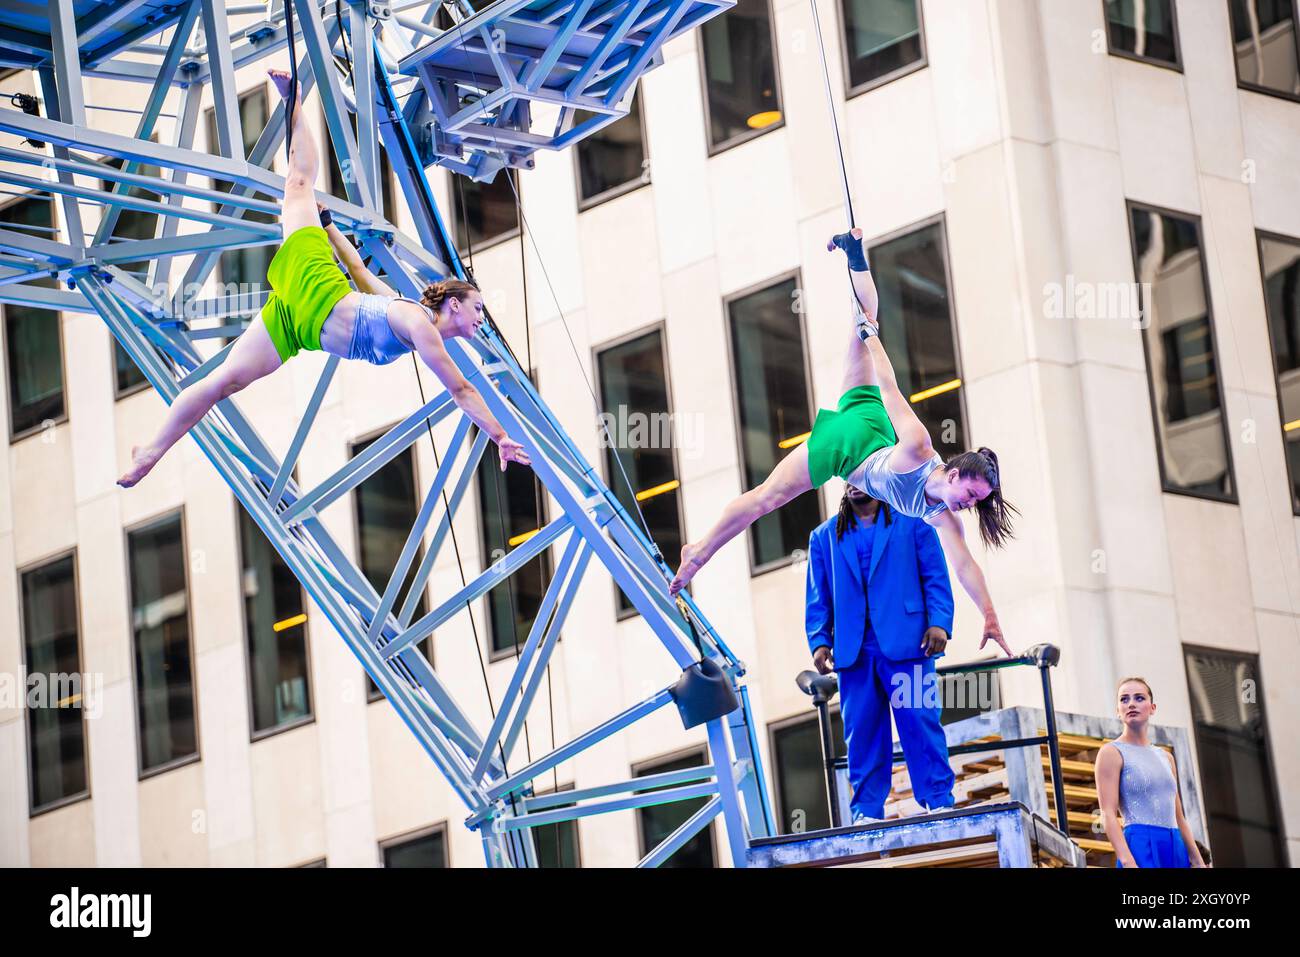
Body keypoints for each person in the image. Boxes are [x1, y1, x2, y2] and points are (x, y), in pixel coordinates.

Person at [117, 68, 530, 488]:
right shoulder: (419, 325)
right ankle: (293, 102)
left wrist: (329, 227)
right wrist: (499, 434)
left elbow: (360, 271)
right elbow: (460, 389)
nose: (482, 318)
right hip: (318, 286)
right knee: (298, 184)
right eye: (479, 308)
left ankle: (150, 452)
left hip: (299, 325)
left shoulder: (404, 312)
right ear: (454, 304)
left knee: (225, 381)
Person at [670, 227, 1015, 657]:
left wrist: (990, 613)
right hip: (849, 446)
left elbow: (964, 566)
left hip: (870, 426)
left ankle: (854, 253)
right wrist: (872, 342)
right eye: (971, 494)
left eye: (976, 501)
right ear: (958, 472)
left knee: (867, 315)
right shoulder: (920, 448)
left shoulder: (944, 515)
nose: (969, 504)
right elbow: (890, 389)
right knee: (766, 499)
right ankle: (699, 552)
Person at [807, 487, 956, 824]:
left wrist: (940, 624)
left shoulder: (913, 523)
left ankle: (938, 799)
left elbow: (935, 576)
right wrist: (819, 640)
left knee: (920, 721)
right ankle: (867, 812)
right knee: (861, 733)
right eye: (849, 478)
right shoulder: (824, 537)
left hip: (909, 645)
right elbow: (818, 597)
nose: (855, 484)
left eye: (862, 477)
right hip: (854, 652)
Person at [1094, 678, 1208, 868]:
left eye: (1139, 698)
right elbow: (1107, 814)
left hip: (1175, 844)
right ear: (1117, 711)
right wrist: (1127, 861)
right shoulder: (1110, 752)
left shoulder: (1166, 757)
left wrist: (1198, 861)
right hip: (1139, 844)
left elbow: (1179, 817)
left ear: (1152, 708)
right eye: (1124, 699)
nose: (1131, 703)